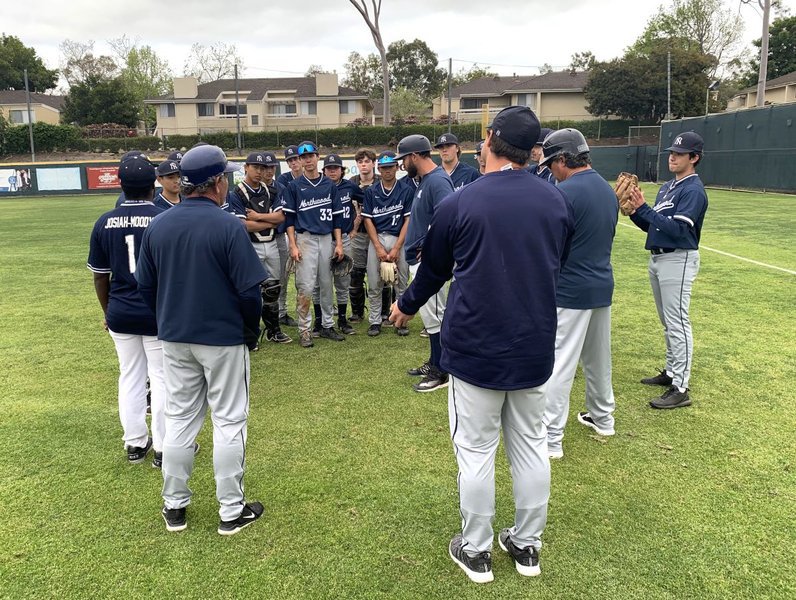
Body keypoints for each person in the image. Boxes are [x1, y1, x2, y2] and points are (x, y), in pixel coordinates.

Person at [390, 106, 574, 583]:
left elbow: (433, 270)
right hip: (533, 343)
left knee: (475, 450)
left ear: (489, 139)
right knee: (531, 446)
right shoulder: (555, 202)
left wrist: (407, 305)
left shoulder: (461, 202)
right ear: (533, 148)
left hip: (476, 347)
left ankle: (476, 550)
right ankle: (527, 545)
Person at [135, 144, 267, 535]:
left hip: (174, 337)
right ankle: (230, 510)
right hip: (222, 338)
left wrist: (168, 318)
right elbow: (250, 292)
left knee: (178, 420)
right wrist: (248, 331)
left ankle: (174, 506)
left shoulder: (159, 223)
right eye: (225, 176)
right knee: (229, 421)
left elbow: (145, 287)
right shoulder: (228, 225)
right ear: (216, 183)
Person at [538, 129, 618, 459]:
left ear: (561, 159)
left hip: (570, 290)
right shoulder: (605, 188)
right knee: (598, 359)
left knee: (559, 364)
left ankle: (551, 438)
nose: (550, 171)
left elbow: (551, 247)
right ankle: (603, 418)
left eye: (550, 164)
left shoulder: (564, 193)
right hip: (601, 284)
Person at [87, 155, 166, 466]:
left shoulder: (104, 221)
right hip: (156, 312)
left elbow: (99, 275)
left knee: (130, 376)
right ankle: (162, 447)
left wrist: (109, 311)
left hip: (120, 310)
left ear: (120, 183)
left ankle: (135, 444)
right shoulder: (162, 218)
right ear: (154, 185)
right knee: (161, 379)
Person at [626, 131, 709, 409]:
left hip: (679, 258)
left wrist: (645, 209)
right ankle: (672, 372)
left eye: (680, 153)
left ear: (694, 158)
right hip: (659, 258)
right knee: (668, 322)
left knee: (678, 323)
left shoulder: (693, 190)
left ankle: (681, 388)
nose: (672, 157)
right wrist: (636, 212)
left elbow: (677, 229)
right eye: (671, 152)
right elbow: (654, 226)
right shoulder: (668, 187)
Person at [396, 134, 454, 392]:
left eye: (404, 158)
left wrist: (431, 247)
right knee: (431, 315)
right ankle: (435, 360)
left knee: (436, 316)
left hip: (429, 262)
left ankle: (441, 371)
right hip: (420, 260)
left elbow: (448, 218)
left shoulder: (438, 180)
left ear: (415, 156)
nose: (402, 164)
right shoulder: (427, 180)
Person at [280, 141, 345, 347]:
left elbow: (336, 219)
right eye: (303, 157)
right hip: (304, 238)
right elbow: (289, 220)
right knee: (306, 286)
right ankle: (305, 330)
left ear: (318, 157)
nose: (307, 160)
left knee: (326, 284)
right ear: (299, 160)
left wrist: (339, 244)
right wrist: (293, 245)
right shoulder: (294, 186)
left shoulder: (329, 185)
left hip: (326, 238)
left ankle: (327, 325)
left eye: (311, 156)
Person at [234, 151, 291, 345]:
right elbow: (243, 226)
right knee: (250, 292)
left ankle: (273, 330)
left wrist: (257, 217)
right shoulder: (238, 192)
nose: (259, 172)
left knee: (272, 288)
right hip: (251, 245)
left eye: (262, 168)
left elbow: (281, 218)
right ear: (246, 168)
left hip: (272, 243)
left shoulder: (270, 190)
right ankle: (251, 333)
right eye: (255, 167)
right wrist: (269, 221)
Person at [361, 151, 413, 337]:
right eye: (383, 168)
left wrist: (397, 247)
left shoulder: (406, 190)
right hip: (378, 239)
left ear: (397, 168)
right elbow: (368, 221)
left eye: (390, 167)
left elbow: (408, 220)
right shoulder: (372, 191)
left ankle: (400, 321)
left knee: (401, 283)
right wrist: (378, 247)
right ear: (379, 169)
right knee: (375, 284)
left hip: (399, 238)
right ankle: (375, 321)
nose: (387, 171)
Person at [315, 153, 362, 336]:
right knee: (320, 282)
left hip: (344, 236)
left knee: (343, 280)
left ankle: (342, 320)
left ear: (342, 170)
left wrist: (356, 226)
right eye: (329, 168)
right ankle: (319, 322)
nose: (332, 171)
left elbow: (367, 202)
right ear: (324, 170)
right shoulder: (319, 187)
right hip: (324, 237)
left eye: (336, 168)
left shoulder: (350, 186)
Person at [348, 148, 380, 323]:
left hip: (379, 232)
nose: (363, 165)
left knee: (383, 274)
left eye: (367, 161)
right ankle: (357, 313)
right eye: (360, 162)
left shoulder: (381, 181)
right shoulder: (351, 183)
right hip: (358, 234)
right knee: (356, 273)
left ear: (373, 163)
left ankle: (384, 312)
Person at [275, 145, 302, 328]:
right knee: (283, 275)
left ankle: (309, 309)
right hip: (288, 232)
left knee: (308, 276)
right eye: (290, 160)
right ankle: (281, 311)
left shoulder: (314, 178)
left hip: (308, 231)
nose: (293, 163)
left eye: (296, 159)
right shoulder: (283, 180)